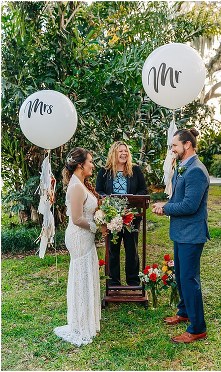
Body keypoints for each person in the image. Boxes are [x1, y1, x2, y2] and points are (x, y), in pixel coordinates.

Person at [152, 128, 210, 344]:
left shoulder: (196, 171)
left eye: (175, 145)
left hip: (192, 234)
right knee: (181, 276)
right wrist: (166, 204)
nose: (172, 150)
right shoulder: (182, 166)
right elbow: (179, 198)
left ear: (187, 145)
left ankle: (197, 328)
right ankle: (184, 312)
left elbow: (190, 205)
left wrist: (165, 208)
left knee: (189, 279)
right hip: (181, 232)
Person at [54, 147, 102, 346]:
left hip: (86, 236)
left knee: (87, 274)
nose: (92, 165)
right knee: (81, 275)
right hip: (79, 237)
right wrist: (97, 227)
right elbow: (76, 218)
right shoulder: (75, 186)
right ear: (80, 165)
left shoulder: (81, 184)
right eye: (90, 162)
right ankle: (80, 324)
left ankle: (87, 320)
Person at [95, 141, 148, 287]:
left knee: (132, 249)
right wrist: (108, 202)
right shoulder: (104, 171)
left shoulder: (135, 170)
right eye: (120, 151)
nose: (124, 153)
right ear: (114, 153)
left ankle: (133, 281)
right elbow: (98, 191)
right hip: (112, 216)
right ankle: (113, 283)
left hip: (131, 215)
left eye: (126, 151)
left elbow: (143, 190)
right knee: (112, 249)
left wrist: (133, 200)